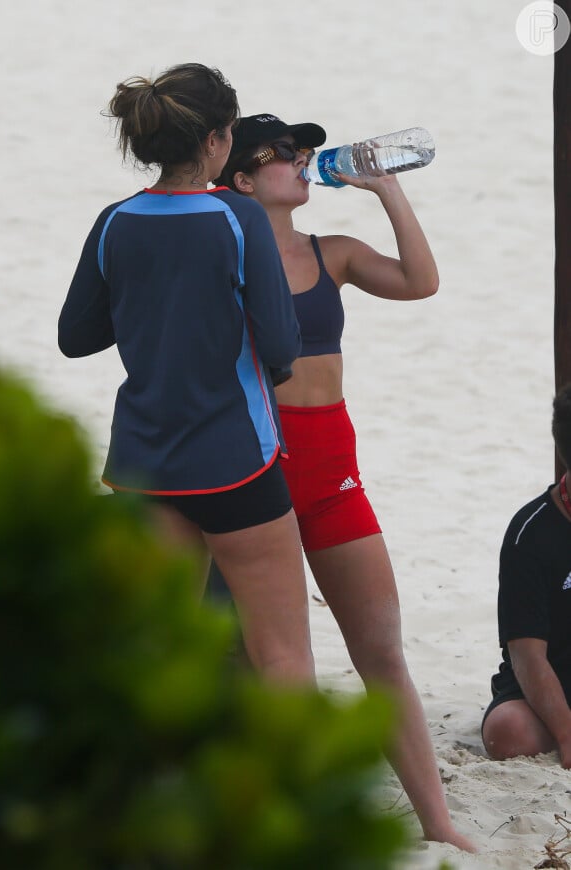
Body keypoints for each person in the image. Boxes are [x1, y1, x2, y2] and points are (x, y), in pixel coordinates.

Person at [209, 113, 476, 852]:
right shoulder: (224, 256)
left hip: (332, 468)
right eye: (281, 154)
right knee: (262, 658)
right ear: (239, 179)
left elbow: (421, 282)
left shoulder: (334, 253)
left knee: (382, 648)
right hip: (255, 466)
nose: (301, 160)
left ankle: (438, 823)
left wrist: (386, 189)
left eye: (302, 150)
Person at [58, 68, 315, 684]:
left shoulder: (115, 220)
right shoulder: (238, 217)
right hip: (235, 460)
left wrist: (156, 305)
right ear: (214, 142)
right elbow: (282, 344)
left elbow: (76, 338)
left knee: (162, 656)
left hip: (143, 462)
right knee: (283, 657)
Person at [482, 383, 571, 767]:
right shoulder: (530, 533)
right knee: (507, 731)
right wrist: (567, 737)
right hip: (548, 683)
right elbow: (527, 656)